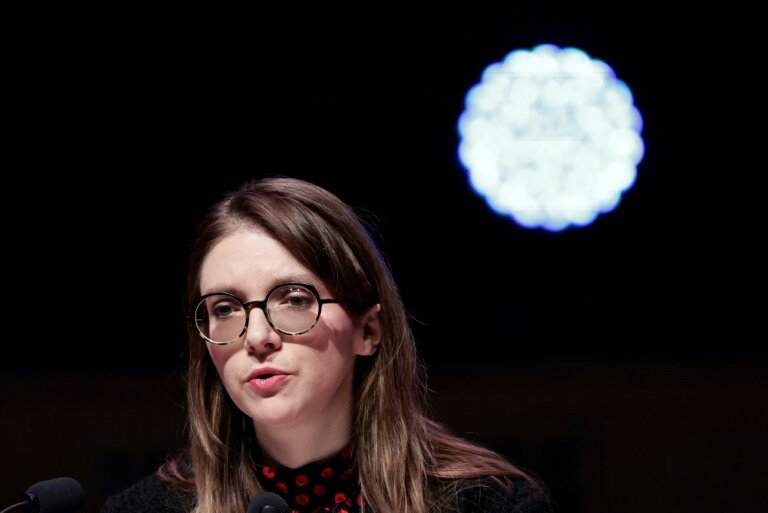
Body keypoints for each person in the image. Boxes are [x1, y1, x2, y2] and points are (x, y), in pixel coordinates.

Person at [101, 176, 553, 513]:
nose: (257, 337)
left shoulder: (489, 504)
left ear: (368, 331)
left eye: (294, 299)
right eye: (224, 308)